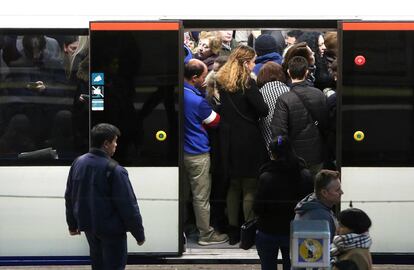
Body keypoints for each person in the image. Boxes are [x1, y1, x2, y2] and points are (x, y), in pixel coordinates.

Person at [65, 123, 145, 270]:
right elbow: (128, 206)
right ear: (106, 144)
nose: (116, 145)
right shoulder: (115, 170)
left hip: (89, 228)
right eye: (114, 141)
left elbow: (69, 196)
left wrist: (72, 224)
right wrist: (138, 234)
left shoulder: (78, 163)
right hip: (112, 231)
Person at [215, 45, 269, 245]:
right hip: (248, 139)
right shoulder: (247, 83)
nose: (254, 65)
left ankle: (232, 230)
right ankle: (248, 227)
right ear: (246, 63)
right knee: (249, 186)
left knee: (233, 185)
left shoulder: (222, 81)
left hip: (228, 139)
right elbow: (262, 110)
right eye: (253, 61)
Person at [183, 58, 229, 245]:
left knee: (183, 194)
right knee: (201, 197)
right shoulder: (197, 100)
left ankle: (185, 227)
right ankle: (206, 234)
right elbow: (215, 122)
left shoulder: (179, 93)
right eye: (203, 76)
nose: (204, 80)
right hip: (198, 154)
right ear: (194, 77)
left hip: (181, 154)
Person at [254, 136, 312, 270]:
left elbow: (258, 207)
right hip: (296, 231)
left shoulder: (266, 177)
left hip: (269, 231)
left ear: (272, 154)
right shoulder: (305, 174)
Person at [271, 56, 328, 176]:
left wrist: (280, 150)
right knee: (315, 189)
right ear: (307, 72)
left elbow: (279, 133)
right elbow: (326, 123)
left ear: (288, 72)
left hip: (294, 157)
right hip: (317, 153)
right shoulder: (319, 94)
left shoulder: (284, 99)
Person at [294, 169, 343, 242]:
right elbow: (322, 250)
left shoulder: (310, 206)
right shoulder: (320, 217)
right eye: (337, 190)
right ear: (324, 193)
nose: (341, 192)